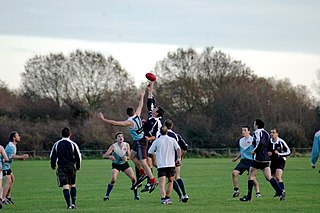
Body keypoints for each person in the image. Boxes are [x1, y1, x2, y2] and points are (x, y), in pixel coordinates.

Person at [98, 89, 157, 193]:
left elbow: (115, 123)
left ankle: (152, 180)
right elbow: (140, 105)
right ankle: (142, 173)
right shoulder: (137, 115)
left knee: (143, 162)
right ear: (133, 112)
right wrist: (142, 95)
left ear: (127, 114)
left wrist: (103, 120)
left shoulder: (129, 122)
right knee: (132, 156)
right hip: (137, 141)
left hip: (141, 142)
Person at [240, 119, 285, 202]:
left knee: (251, 176)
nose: (254, 125)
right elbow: (268, 144)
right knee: (269, 177)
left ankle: (249, 197)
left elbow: (261, 143)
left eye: (254, 124)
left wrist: (254, 151)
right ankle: (280, 191)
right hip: (265, 159)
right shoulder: (266, 133)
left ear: (257, 125)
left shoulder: (257, 132)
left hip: (258, 159)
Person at [141, 81, 165, 192]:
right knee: (154, 163)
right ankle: (164, 171)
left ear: (157, 113)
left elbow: (155, 136)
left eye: (155, 109)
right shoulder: (151, 114)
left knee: (148, 162)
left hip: (153, 143)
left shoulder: (157, 123)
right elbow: (150, 99)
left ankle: (150, 182)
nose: (154, 108)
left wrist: (148, 138)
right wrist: (151, 86)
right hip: (147, 142)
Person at [50, 127, 82, 209]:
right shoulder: (73, 144)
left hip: (61, 167)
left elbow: (52, 156)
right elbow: (78, 157)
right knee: (73, 185)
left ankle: (68, 205)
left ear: (61, 134)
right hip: (71, 166)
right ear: (70, 134)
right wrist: (78, 166)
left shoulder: (57, 144)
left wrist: (53, 165)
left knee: (65, 185)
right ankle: (74, 203)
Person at [148, 127, 182, 205]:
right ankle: (167, 198)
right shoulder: (172, 140)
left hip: (161, 165)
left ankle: (163, 199)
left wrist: (155, 157)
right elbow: (179, 149)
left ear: (160, 132)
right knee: (170, 182)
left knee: (161, 184)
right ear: (167, 132)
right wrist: (179, 159)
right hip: (171, 165)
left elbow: (150, 151)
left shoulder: (157, 141)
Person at [102, 132, 140, 201]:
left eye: (122, 136)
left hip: (124, 164)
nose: (120, 138)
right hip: (116, 165)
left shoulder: (126, 145)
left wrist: (127, 158)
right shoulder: (113, 146)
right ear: (116, 139)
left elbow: (129, 156)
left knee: (134, 179)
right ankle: (107, 195)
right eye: (119, 136)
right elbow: (104, 155)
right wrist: (110, 157)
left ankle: (136, 196)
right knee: (113, 179)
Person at [231, 126, 260, 198]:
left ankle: (258, 192)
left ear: (249, 131)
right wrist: (236, 158)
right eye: (242, 130)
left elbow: (257, 149)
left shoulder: (253, 139)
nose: (243, 132)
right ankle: (236, 190)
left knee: (252, 178)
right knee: (234, 173)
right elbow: (242, 151)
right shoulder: (241, 140)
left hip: (251, 162)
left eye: (245, 130)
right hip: (243, 161)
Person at [164, 119, 189, 203]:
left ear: (165, 126)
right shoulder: (176, 135)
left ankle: (180, 196)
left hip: (168, 160)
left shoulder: (163, 135)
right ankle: (185, 194)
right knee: (178, 177)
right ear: (172, 126)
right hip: (176, 159)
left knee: (171, 179)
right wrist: (181, 157)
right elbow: (185, 147)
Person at [2, 131, 29, 205]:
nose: (19, 137)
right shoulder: (11, 146)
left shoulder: (13, 145)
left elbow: (10, 156)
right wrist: (21, 156)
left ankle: (7, 196)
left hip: (7, 166)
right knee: (8, 181)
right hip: (3, 166)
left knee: (12, 179)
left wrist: (20, 158)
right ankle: (3, 199)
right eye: (17, 136)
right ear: (14, 138)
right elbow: (11, 156)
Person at [269, 128, 291, 193]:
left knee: (278, 177)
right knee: (272, 178)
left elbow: (288, 152)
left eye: (273, 132)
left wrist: (279, 154)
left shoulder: (281, 142)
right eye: (271, 132)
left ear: (277, 134)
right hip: (273, 162)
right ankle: (278, 191)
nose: (272, 134)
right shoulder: (269, 142)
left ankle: (282, 191)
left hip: (280, 161)